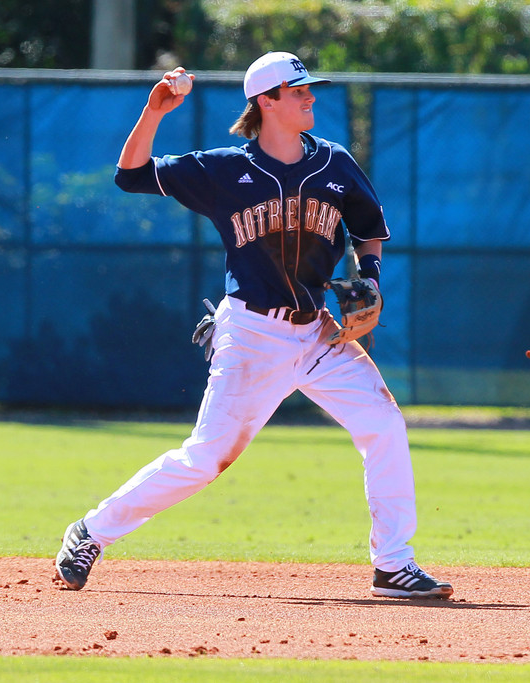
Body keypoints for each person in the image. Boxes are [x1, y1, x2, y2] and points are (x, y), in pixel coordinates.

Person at [55, 51, 452, 600]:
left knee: (384, 425)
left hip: (318, 332)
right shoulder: (224, 171)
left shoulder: (333, 163)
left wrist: (370, 277)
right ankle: (90, 532)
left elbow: (367, 227)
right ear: (265, 102)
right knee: (204, 459)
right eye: (297, 91)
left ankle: (393, 564)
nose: (310, 96)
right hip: (253, 335)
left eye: (309, 89)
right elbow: (131, 176)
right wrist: (156, 112)